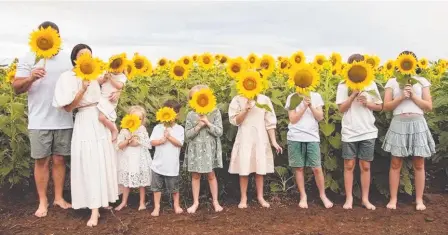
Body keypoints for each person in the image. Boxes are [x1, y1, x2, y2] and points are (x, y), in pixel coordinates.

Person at [52, 44, 119, 227]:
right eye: (82, 55)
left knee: (102, 160)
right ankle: (93, 208)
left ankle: (102, 201)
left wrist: (116, 93)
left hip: (99, 118)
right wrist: (82, 88)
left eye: (89, 55)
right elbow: (67, 108)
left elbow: (110, 91)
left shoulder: (96, 74)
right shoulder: (68, 77)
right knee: (88, 162)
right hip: (84, 121)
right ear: (75, 59)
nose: (85, 58)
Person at [13, 21, 73, 217]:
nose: (49, 40)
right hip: (39, 119)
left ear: (58, 37)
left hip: (63, 118)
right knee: (41, 160)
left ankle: (58, 198)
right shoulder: (30, 57)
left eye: (53, 37)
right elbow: (16, 88)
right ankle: (43, 202)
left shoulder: (67, 59)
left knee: (59, 159)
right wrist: (31, 77)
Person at [382, 51, 435, 211]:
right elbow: (386, 106)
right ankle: (393, 199)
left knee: (419, 163)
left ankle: (419, 200)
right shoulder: (392, 82)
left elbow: (428, 106)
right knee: (395, 162)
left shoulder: (422, 81)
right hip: (399, 123)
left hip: (417, 123)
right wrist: (400, 98)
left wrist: (413, 97)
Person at [336, 54, 383, 210]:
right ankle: (349, 199)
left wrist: (367, 103)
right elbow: (341, 109)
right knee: (349, 165)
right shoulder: (343, 85)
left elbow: (379, 106)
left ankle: (365, 199)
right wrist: (353, 95)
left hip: (367, 130)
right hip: (349, 130)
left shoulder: (371, 84)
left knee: (365, 166)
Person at [228, 94, 282, 209]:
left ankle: (260, 197)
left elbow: (270, 122)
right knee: (244, 168)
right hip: (245, 137)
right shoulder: (238, 99)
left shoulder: (264, 99)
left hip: (260, 137)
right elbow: (235, 121)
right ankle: (243, 198)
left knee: (259, 169)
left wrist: (273, 141)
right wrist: (245, 110)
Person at [285, 92, 334, 209]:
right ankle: (303, 196)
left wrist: (311, 105)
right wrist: (303, 107)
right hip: (295, 136)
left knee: (317, 168)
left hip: (312, 137)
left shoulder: (316, 96)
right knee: (299, 167)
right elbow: (292, 119)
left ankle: (323, 195)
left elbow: (320, 117)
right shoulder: (292, 97)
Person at [184, 85, 224, 214]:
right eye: (192, 99)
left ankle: (215, 201)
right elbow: (187, 135)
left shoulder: (214, 112)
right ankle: (195, 202)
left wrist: (207, 123)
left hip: (209, 148)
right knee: (195, 175)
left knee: (211, 175)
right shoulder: (190, 115)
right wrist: (198, 126)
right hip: (195, 148)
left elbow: (219, 132)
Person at [149, 100, 184, 216]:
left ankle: (176, 204)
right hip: (157, 164)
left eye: (173, 113)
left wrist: (169, 137)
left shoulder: (179, 129)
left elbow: (180, 143)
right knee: (156, 187)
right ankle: (157, 206)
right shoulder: (158, 128)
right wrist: (160, 141)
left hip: (171, 165)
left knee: (174, 187)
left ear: (177, 115)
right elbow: (152, 142)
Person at [115, 106, 152, 211]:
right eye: (135, 118)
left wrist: (132, 137)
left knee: (141, 183)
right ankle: (124, 202)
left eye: (140, 119)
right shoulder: (124, 130)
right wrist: (127, 140)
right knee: (126, 181)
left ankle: (142, 202)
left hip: (139, 159)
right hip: (128, 159)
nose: (138, 121)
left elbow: (136, 144)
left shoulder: (141, 129)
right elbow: (120, 145)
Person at [97, 72, 126, 142]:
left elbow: (119, 86)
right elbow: (98, 81)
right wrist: (104, 78)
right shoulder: (106, 72)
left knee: (101, 117)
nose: (116, 69)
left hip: (110, 100)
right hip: (102, 98)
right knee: (102, 118)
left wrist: (110, 78)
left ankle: (114, 130)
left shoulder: (122, 76)